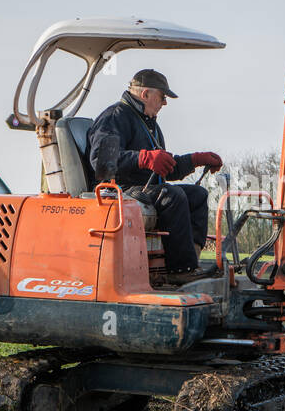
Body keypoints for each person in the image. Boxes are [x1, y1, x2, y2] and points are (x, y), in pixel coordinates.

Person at [87, 68, 222, 278]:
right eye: (162, 97)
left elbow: (165, 170)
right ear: (146, 94)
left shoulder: (150, 125)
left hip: (147, 188)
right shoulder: (115, 118)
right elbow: (102, 163)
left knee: (197, 196)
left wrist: (195, 159)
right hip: (120, 190)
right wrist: (143, 158)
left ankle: (191, 263)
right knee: (172, 196)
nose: (164, 103)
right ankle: (181, 271)